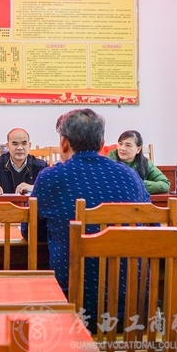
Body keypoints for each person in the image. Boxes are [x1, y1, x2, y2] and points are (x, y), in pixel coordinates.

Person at [27, 108, 149, 330]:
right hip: (131, 308)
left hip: (73, 307)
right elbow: (151, 226)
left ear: (64, 143)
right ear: (102, 144)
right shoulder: (130, 175)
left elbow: (31, 232)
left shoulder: (50, 177)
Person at [0, 128, 48, 195]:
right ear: (7, 146)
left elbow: (51, 188)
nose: (20, 148)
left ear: (29, 145)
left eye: (24, 143)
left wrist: (34, 188)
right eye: (15, 144)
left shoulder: (41, 166)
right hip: (4, 204)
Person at [107, 130, 169, 194]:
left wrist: (138, 184)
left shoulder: (145, 163)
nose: (122, 148)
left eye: (128, 145)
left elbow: (165, 184)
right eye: (120, 144)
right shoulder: (109, 161)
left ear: (138, 149)